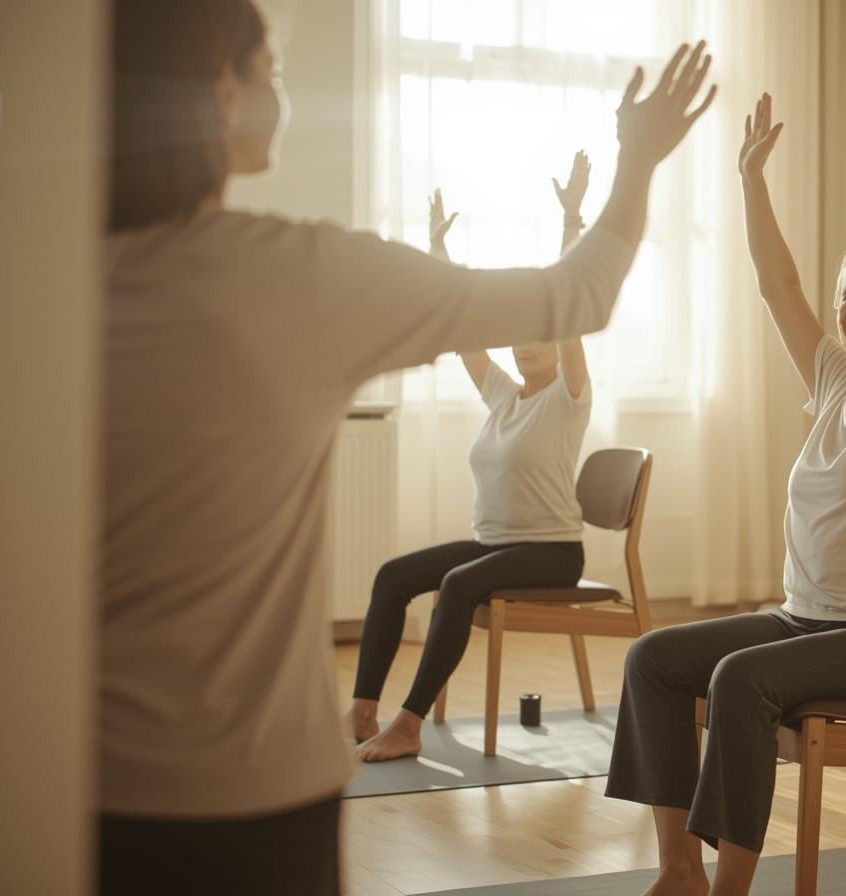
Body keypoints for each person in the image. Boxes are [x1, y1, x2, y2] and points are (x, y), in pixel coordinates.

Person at [100, 0, 714, 891]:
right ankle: (370, 710)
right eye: (270, 71)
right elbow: (579, 291)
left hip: (77, 779)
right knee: (406, 575)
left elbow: (564, 324)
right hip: (256, 788)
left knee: (455, 581)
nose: (282, 91)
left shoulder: (37, 282)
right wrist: (638, 159)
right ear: (220, 91)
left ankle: (402, 714)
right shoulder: (304, 276)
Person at [604, 29, 846, 896]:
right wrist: (748, 179)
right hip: (802, 620)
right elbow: (779, 286)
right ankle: (680, 872)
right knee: (652, 659)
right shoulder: (837, 385)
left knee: (740, 680)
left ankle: (734, 886)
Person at [350, 154, 599, 763]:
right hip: (496, 546)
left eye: (538, 333)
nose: (524, 342)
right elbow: (462, 328)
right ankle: (360, 711)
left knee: (458, 586)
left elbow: (568, 309)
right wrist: (439, 254)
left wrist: (571, 222)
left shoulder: (568, 399)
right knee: (393, 577)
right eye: (518, 333)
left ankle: (408, 725)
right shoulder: (504, 397)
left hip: (551, 552)